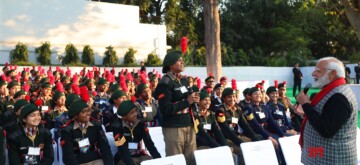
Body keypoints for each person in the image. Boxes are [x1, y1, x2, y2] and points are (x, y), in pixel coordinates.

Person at [295, 57, 357, 164]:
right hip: (322, 158)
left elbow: (325, 129)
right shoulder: (333, 91)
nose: (313, 73)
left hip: (331, 160)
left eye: (318, 71)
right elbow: (323, 118)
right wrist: (305, 112)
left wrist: (305, 104)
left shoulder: (339, 97)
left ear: (332, 73)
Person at [155, 50, 199, 165]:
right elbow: (165, 109)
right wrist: (187, 101)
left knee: (191, 160)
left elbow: (187, 100)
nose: (182, 62)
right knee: (175, 161)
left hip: (189, 125)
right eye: (179, 60)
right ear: (171, 65)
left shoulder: (183, 80)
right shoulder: (165, 83)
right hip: (174, 128)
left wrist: (193, 100)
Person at [61, 99, 114, 165]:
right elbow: (68, 156)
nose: (88, 113)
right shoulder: (67, 130)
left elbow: (105, 148)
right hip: (78, 161)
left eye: (88, 110)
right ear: (75, 115)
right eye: (84, 112)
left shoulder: (96, 126)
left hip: (95, 160)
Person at [111, 100, 161, 165]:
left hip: (140, 155)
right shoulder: (117, 127)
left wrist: (160, 160)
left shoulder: (140, 124)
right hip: (124, 158)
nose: (136, 114)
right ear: (124, 117)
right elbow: (122, 149)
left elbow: (149, 144)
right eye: (132, 112)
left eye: (135, 110)